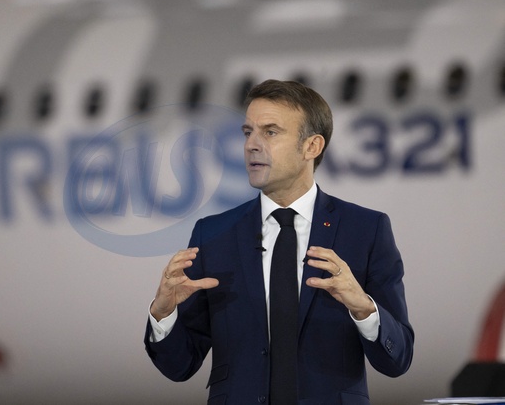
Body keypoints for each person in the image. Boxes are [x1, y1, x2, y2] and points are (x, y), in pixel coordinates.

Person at [144, 80, 414, 404]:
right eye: (248, 132)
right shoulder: (214, 235)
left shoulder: (365, 230)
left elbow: (398, 359)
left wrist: (363, 308)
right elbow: (180, 366)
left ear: (311, 146)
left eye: (270, 132)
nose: (251, 145)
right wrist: (163, 313)